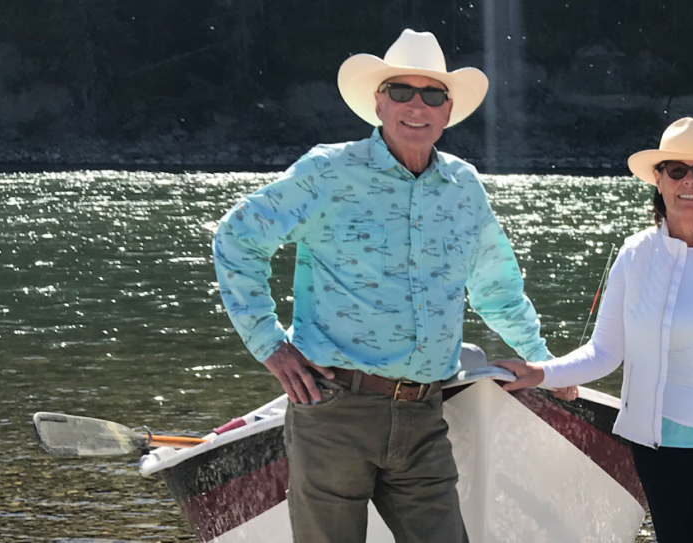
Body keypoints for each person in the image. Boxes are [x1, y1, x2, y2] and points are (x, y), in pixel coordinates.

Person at [212, 29, 555, 543]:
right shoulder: (329, 171)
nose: (416, 106)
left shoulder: (465, 188)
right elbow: (237, 238)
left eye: (432, 95)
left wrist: (543, 361)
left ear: (447, 109)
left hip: (424, 415)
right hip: (332, 412)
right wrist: (270, 347)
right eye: (401, 91)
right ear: (378, 101)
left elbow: (496, 287)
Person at [497, 117, 693, 543]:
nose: (689, 182)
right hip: (661, 445)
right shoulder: (635, 254)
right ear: (658, 180)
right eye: (677, 170)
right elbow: (605, 351)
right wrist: (541, 373)